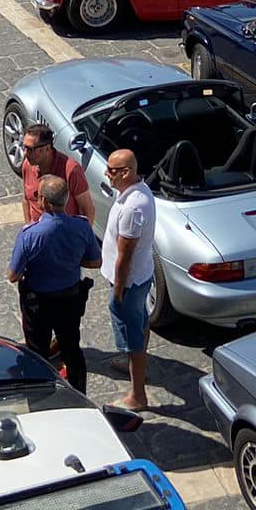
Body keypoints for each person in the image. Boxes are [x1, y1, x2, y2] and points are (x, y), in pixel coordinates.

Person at [7, 175, 102, 391]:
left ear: (44, 202)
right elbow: (95, 261)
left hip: (38, 304)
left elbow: (13, 275)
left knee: (36, 353)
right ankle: (79, 392)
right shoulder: (82, 227)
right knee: (71, 349)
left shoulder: (30, 235)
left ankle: (40, 394)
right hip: (69, 299)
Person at [100, 149, 156, 411]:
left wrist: (118, 290)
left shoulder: (133, 208)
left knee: (132, 335)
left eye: (111, 170)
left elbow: (125, 255)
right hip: (141, 276)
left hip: (130, 282)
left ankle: (138, 395)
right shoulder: (135, 193)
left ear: (126, 173)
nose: (106, 173)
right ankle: (134, 365)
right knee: (141, 322)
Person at [19, 120, 95, 223]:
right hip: (38, 234)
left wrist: (83, 236)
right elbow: (26, 199)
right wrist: (28, 229)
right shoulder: (27, 165)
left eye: (30, 149)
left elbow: (87, 209)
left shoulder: (71, 170)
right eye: (24, 147)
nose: (25, 153)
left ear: (47, 148)